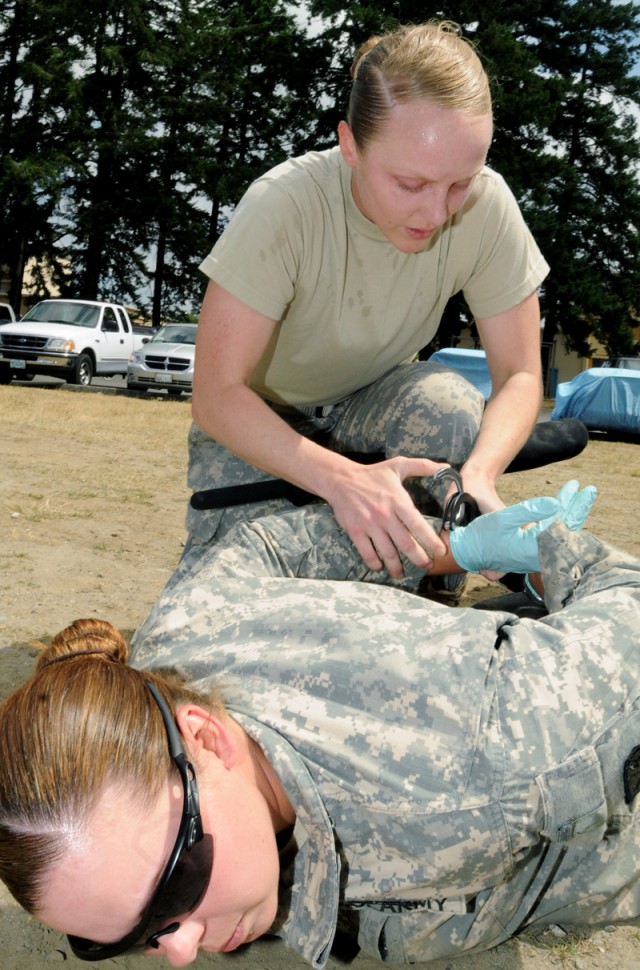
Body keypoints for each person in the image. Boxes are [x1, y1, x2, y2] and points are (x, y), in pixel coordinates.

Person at [4, 482, 640, 969]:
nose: (182, 952)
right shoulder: (171, 643)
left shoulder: (486, 774)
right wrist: (459, 549)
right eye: (124, 939)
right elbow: (258, 546)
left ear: (203, 735)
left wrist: (552, 559)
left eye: (179, 886)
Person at [188, 20, 549, 586]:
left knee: (447, 400)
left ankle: (420, 590)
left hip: (374, 411)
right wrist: (340, 480)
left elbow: (522, 372)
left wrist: (479, 476)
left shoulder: (487, 206)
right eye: (410, 184)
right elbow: (215, 396)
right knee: (220, 623)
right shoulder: (284, 204)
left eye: (460, 183)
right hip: (262, 426)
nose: (436, 213)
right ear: (350, 145)